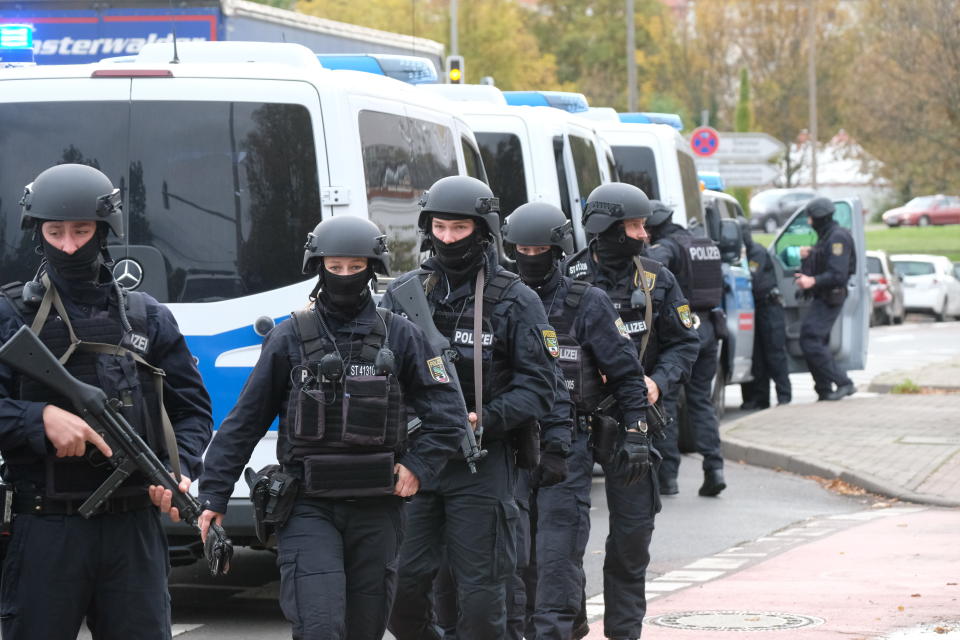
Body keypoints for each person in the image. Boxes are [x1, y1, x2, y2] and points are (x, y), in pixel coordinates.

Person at [196, 215, 466, 640]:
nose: (343, 276)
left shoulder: (404, 336)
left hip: (378, 505)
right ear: (318, 268)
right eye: (334, 267)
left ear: (371, 269)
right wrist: (213, 494)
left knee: (365, 629)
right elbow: (244, 422)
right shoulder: (287, 338)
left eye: (354, 267)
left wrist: (418, 466)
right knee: (320, 626)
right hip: (307, 504)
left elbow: (447, 416)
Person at [0, 163, 213, 640]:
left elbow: (191, 409)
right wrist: (39, 419)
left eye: (82, 231)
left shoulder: (146, 316)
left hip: (133, 528)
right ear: (39, 234)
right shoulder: (12, 314)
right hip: (45, 526)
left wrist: (180, 468)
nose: (69, 245)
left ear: (104, 232)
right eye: (56, 232)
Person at [380, 175, 560, 640]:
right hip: (418, 461)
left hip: (482, 464)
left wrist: (485, 417)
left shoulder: (516, 299)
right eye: (439, 227)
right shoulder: (404, 294)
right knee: (400, 592)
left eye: (458, 229)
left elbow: (540, 389)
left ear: (483, 231)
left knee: (483, 601)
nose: (447, 239)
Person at [502, 201, 650, 640]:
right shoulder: (499, 300)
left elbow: (626, 375)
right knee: (514, 555)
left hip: (569, 443)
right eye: (522, 249)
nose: (530, 258)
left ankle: (555, 629)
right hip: (509, 442)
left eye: (539, 249)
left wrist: (637, 431)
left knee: (556, 550)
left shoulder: (586, 303)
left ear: (559, 249)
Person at [564, 183, 699, 640]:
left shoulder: (657, 278)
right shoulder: (566, 276)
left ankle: (624, 631)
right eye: (635, 225)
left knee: (633, 534)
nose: (644, 234)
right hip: (573, 423)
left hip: (635, 422)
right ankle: (570, 618)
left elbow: (684, 343)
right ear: (607, 227)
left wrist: (657, 383)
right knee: (563, 535)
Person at [644, 199, 727, 497]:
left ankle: (668, 477)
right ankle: (714, 468)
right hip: (709, 327)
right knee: (701, 401)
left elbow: (649, 269)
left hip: (681, 329)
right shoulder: (703, 243)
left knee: (665, 400)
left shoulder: (667, 247)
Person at [795, 196, 857, 401]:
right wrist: (809, 255)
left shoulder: (837, 238)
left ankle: (843, 382)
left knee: (810, 339)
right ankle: (824, 388)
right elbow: (825, 258)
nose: (810, 222)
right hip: (824, 296)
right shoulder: (827, 237)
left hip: (831, 297)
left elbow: (837, 274)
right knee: (816, 340)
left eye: (811, 218)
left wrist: (812, 281)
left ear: (820, 218)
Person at [739, 219, 792, 409]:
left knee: (774, 354)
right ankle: (761, 399)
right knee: (758, 357)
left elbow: (752, 277)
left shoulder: (757, 253)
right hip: (755, 310)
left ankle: (784, 396)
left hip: (769, 308)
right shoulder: (741, 254)